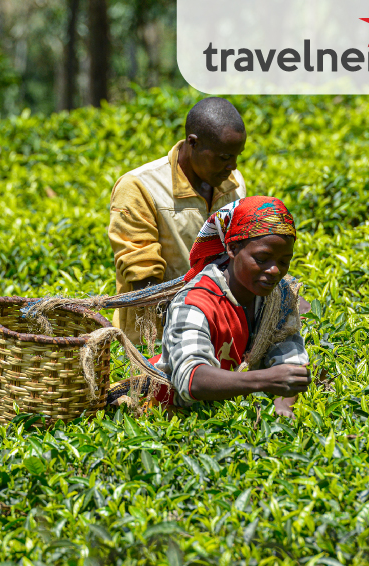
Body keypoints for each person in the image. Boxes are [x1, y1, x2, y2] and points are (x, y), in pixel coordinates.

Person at [150, 196, 310, 417]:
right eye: (262, 259)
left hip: (233, 414)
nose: (275, 270)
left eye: (284, 262)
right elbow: (192, 379)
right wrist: (264, 380)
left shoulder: (279, 295)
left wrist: (283, 406)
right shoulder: (195, 301)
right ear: (233, 249)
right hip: (175, 416)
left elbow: (290, 365)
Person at [108, 97, 247, 344]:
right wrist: (194, 323)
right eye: (224, 157)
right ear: (193, 143)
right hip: (152, 340)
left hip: (218, 334)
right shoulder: (140, 187)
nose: (232, 166)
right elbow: (145, 280)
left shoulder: (233, 184)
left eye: (236, 156)